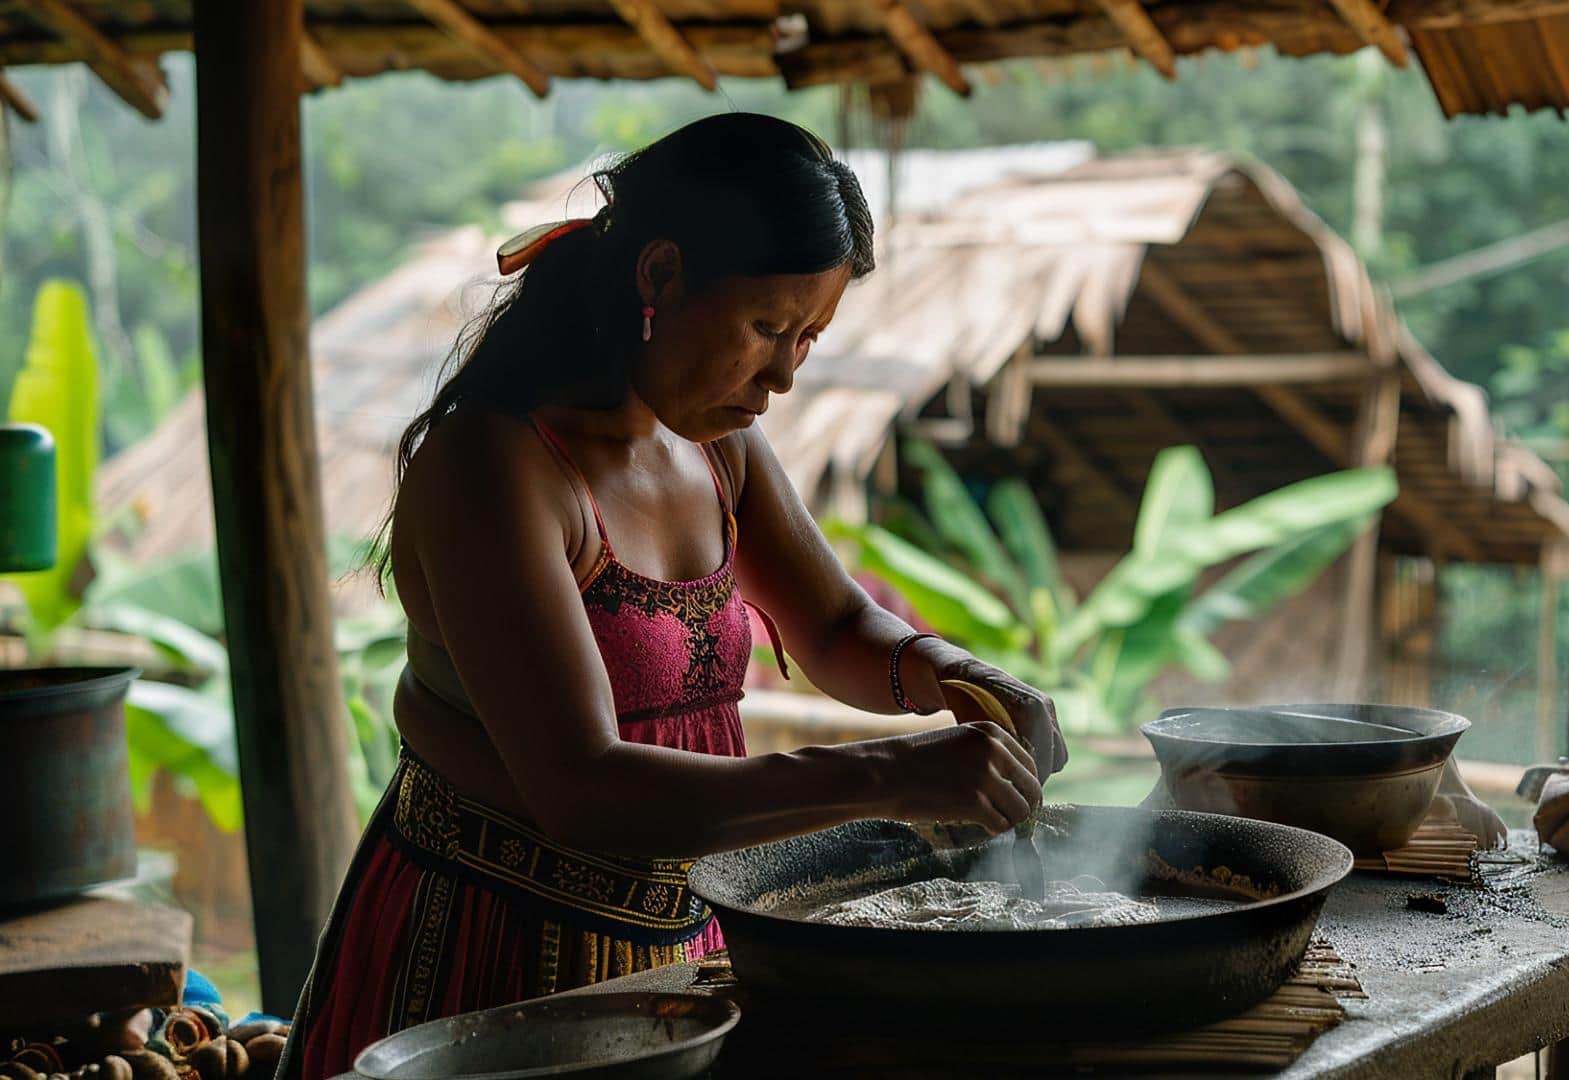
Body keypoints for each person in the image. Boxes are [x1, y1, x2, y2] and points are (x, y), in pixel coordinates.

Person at [280, 113, 1064, 1078]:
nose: (781, 376)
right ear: (659, 277)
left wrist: (966, 679)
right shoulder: (496, 467)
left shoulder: (714, 442)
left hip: (685, 940)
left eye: (808, 339)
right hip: (493, 956)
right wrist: (895, 778)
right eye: (767, 328)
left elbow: (834, 625)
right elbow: (585, 789)